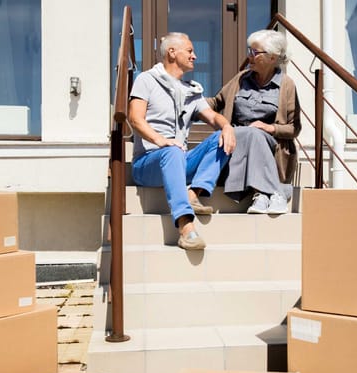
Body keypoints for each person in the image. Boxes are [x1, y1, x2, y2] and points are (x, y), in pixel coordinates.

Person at [128, 32, 236, 250]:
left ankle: (194, 192)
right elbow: (135, 119)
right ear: (171, 52)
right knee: (173, 151)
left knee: (221, 138)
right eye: (189, 51)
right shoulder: (146, 80)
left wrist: (226, 127)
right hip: (147, 163)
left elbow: (213, 117)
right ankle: (185, 227)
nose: (194, 56)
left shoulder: (191, 90)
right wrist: (161, 141)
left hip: (178, 159)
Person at [207, 29, 301, 214]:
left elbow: (294, 128)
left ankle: (261, 195)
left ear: (273, 57)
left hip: (270, 144)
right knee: (250, 132)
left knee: (255, 133)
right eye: (249, 50)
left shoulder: (286, 85)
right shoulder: (241, 79)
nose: (249, 56)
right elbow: (215, 102)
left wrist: (270, 127)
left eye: (254, 52)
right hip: (236, 142)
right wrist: (189, 102)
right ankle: (275, 192)